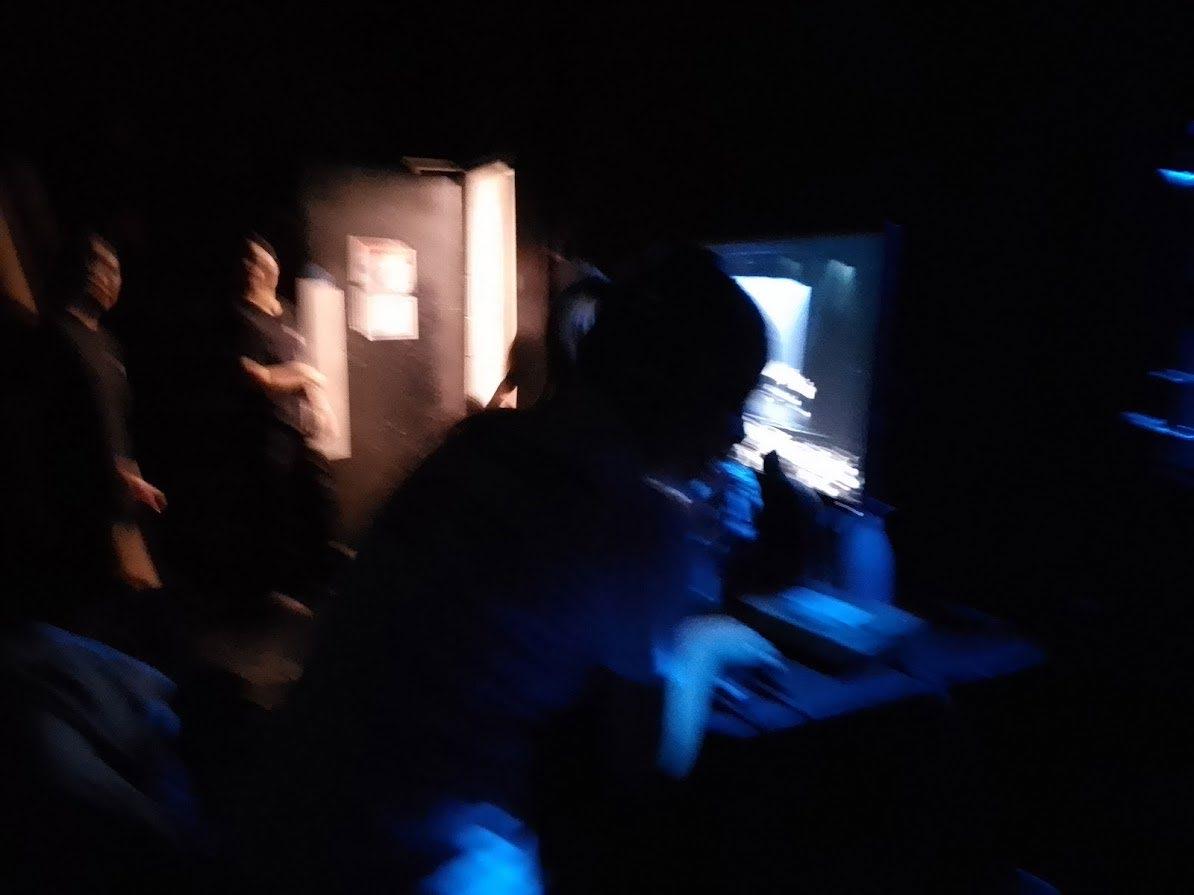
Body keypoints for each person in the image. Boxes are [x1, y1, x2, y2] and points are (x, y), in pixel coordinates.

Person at [238, 245, 780, 893]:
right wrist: (703, 645)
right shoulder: (632, 515)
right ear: (683, 394)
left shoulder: (482, 443)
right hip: (396, 857)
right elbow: (641, 764)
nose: (737, 433)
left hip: (281, 810)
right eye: (733, 402)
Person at [55, 233, 166, 592]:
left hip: (122, 498)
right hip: (80, 500)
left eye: (116, 271)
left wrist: (133, 477)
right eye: (101, 266)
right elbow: (66, 426)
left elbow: (119, 419)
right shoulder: (57, 338)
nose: (110, 279)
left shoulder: (109, 343)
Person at [230, 234, 335, 609]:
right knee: (275, 514)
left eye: (260, 261)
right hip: (266, 434)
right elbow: (257, 375)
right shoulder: (240, 318)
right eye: (247, 262)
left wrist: (320, 403)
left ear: (274, 266)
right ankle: (275, 598)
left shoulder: (286, 312)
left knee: (316, 505)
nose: (254, 269)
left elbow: (302, 365)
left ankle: (315, 585)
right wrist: (305, 375)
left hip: (298, 431)